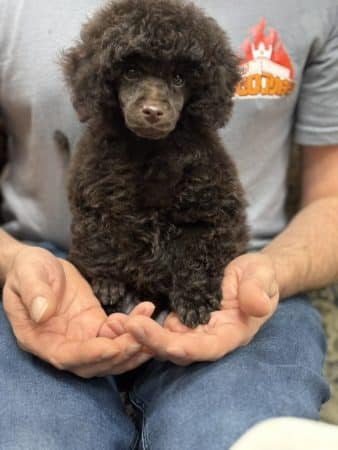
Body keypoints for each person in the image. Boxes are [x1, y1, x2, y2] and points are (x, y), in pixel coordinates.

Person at [0, 0, 337, 449]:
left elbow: (326, 199)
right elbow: (93, 211)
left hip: (242, 275)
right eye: (134, 76)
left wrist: (269, 272)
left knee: (238, 434)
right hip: (48, 271)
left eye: (176, 81)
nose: (155, 103)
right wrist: (14, 260)